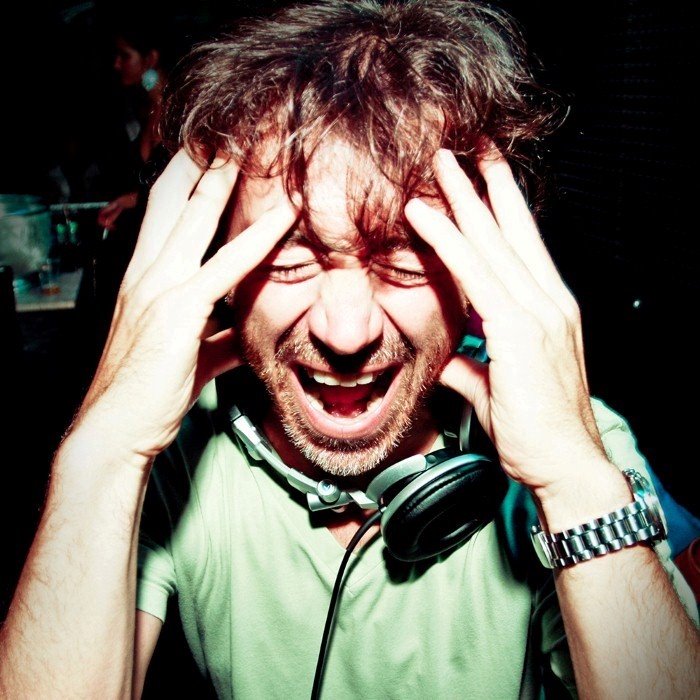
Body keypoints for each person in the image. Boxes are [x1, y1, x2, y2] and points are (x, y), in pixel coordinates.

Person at [1, 1, 698, 698]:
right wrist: (103, 455)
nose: (345, 332)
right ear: (221, 275)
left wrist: (574, 485)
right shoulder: (173, 452)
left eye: (406, 258)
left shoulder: (573, 448)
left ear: (481, 272)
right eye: (287, 259)